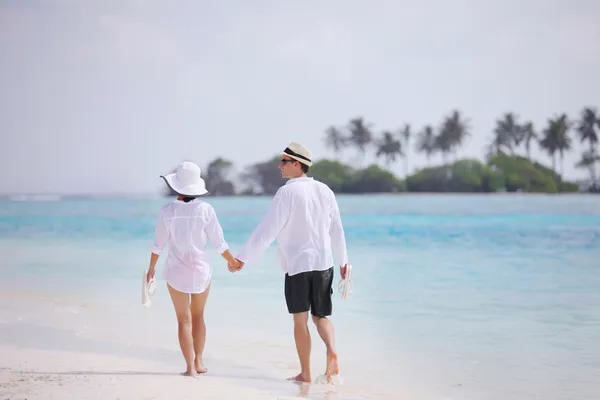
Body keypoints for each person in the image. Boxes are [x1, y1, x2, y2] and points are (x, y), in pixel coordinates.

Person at [229, 142, 350, 383]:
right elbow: (337, 230)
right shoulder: (325, 190)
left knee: (300, 319)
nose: (279, 166)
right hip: (324, 263)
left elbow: (268, 229)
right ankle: (331, 349)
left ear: (297, 164)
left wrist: (242, 257)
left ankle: (305, 374)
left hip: (297, 265)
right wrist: (344, 261)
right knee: (321, 317)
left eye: (284, 162)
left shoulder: (287, 192)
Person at [146, 161, 240, 377]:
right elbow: (219, 244)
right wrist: (233, 262)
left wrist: (151, 269)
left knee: (183, 320)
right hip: (201, 270)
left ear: (177, 186)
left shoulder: (167, 211)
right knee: (198, 317)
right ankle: (199, 361)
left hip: (176, 271)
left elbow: (158, 244)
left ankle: (190, 369)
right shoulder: (206, 209)